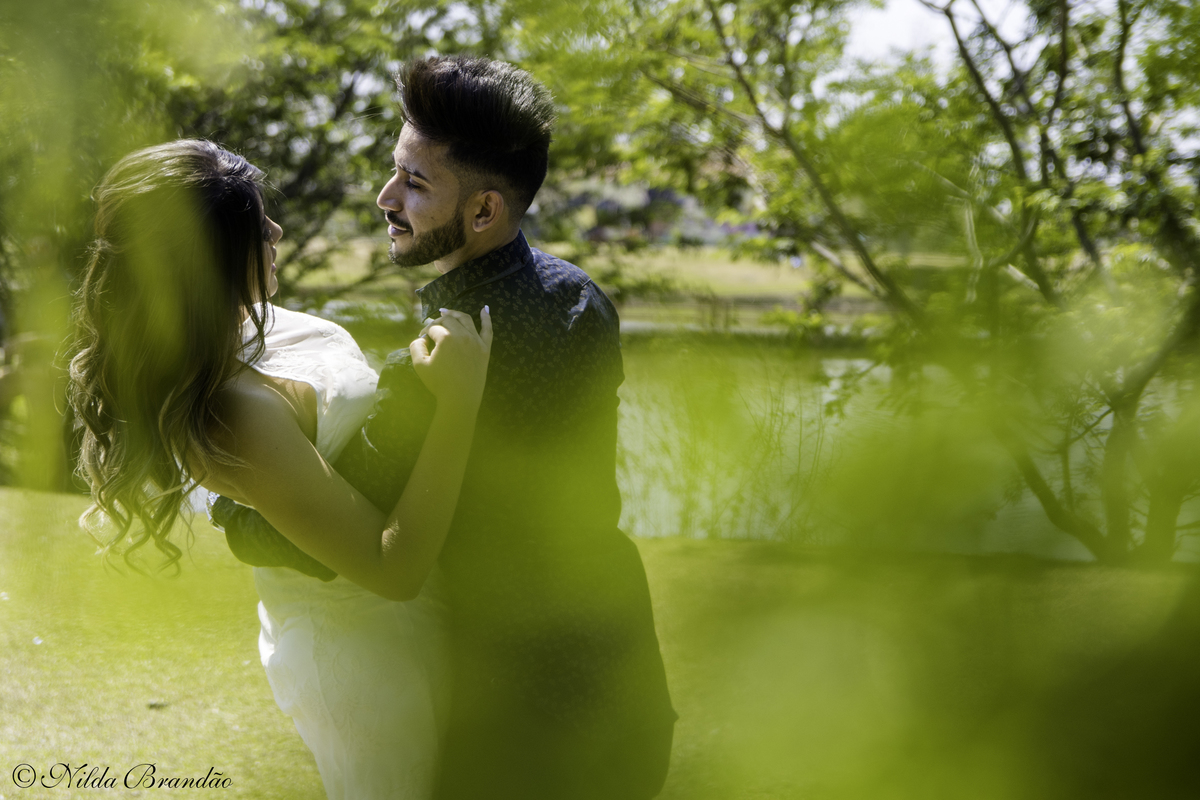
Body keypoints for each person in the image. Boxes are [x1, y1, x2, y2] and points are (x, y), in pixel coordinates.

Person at [215, 56, 676, 799]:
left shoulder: (438, 370)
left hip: (518, 722)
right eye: (396, 171)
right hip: (625, 675)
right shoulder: (579, 297)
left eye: (415, 184)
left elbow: (313, 544)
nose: (385, 197)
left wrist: (231, 496)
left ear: (485, 211)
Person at [67, 138, 492, 799]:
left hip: (432, 616)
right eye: (256, 225)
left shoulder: (266, 323)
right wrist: (459, 406)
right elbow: (390, 568)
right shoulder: (228, 409)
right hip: (363, 653)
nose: (277, 231)